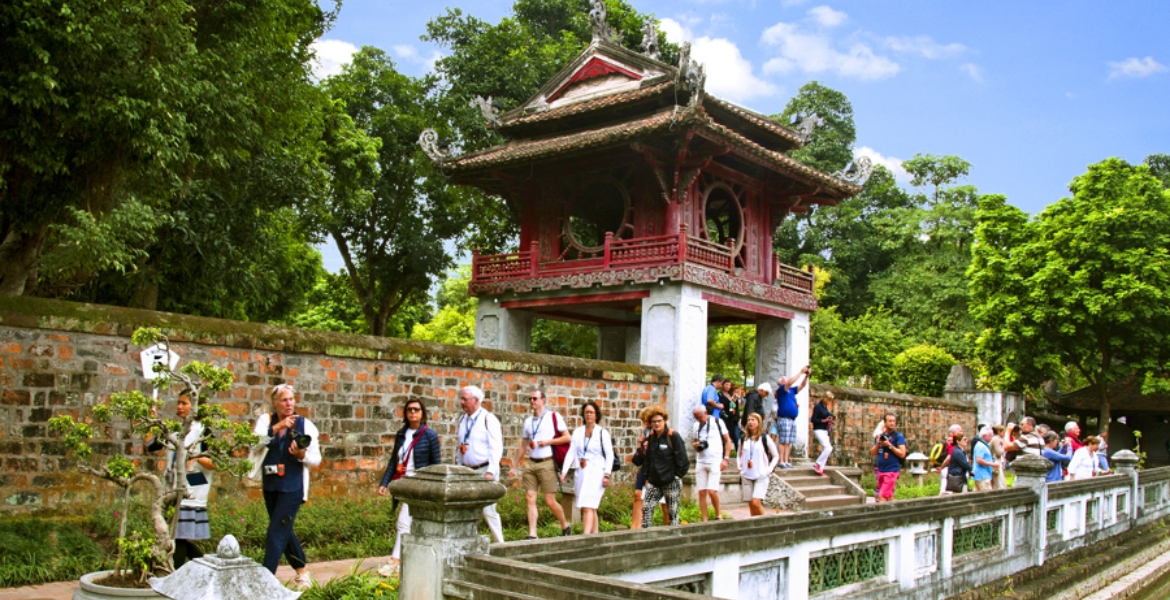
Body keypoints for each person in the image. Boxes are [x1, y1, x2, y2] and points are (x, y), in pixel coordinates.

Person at [249, 384, 321, 589]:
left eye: (291, 399)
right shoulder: (266, 421)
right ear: (274, 403)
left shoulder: (305, 425)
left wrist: (302, 455)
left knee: (275, 532)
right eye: (284, 400)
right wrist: (277, 427)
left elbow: (316, 459)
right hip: (271, 484)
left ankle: (265, 580)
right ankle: (302, 573)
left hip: (292, 486)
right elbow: (254, 444)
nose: (289, 404)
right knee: (283, 529)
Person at [146, 390, 215, 569]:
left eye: (184, 403)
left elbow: (214, 463)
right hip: (174, 489)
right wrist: (150, 422)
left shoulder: (203, 432)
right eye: (178, 403)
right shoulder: (175, 431)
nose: (179, 406)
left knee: (179, 536)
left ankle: (176, 573)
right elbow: (151, 445)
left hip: (193, 488)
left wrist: (195, 456)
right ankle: (208, 567)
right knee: (178, 536)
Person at [377, 398, 440, 574]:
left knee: (403, 522)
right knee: (412, 523)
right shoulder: (401, 434)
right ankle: (414, 559)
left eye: (417, 409)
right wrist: (384, 483)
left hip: (419, 484)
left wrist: (432, 487)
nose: (413, 412)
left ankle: (395, 560)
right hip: (403, 483)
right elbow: (393, 462)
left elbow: (436, 464)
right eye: (410, 409)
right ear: (405, 413)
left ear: (422, 413)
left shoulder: (430, 435)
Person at [510, 389, 571, 539]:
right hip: (531, 463)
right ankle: (532, 534)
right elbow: (524, 445)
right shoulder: (528, 422)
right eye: (530, 399)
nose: (532, 401)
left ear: (543, 400)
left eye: (535, 399)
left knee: (549, 500)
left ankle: (565, 524)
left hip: (547, 462)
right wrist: (514, 465)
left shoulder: (553, 417)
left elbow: (567, 438)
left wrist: (548, 442)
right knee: (530, 497)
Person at [456, 385, 506, 544]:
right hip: (467, 471)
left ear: (476, 400)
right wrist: (459, 467)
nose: (462, 402)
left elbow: (496, 447)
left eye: (465, 399)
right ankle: (469, 542)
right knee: (466, 508)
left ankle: (500, 544)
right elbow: (461, 446)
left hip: (484, 469)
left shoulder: (488, 419)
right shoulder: (462, 420)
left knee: (488, 510)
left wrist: (491, 471)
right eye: (462, 398)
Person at [559, 401, 614, 535]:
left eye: (591, 412)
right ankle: (595, 536)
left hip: (596, 472)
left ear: (596, 415)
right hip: (582, 472)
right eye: (586, 412)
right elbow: (571, 452)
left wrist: (607, 474)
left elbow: (609, 455)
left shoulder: (602, 433)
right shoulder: (578, 432)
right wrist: (564, 471)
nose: (588, 415)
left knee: (587, 506)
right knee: (591, 506)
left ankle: (585, 537)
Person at [632, 406, 689, 526]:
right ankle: (647, 537)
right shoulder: (652, 437)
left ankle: (674, 538)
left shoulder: (673, 436)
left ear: (664, 421)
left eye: (659, 421)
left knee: (672, 512)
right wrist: (647, 477)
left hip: (670, 480)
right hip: (655, 481)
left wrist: (677, 476)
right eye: (654, 422)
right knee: (646, 508)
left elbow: (683, 460)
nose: (657, 424)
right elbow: (648, 459)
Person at [691, 405, 730, 522]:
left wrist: (726, 459)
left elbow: (727, 440)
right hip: (701, 461)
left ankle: (718, 514)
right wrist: (695, 446)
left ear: (706, 412)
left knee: (712, 491)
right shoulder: (696, 425)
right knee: (702, 492)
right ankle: (704, 519)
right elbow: (695, 443)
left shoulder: (718, 422)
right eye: (696, 418)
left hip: (715, 460)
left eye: (700, 417)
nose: (699, 420)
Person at [630, 408, 663, 529]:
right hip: (645, 466)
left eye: (645, 420)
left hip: (657, 469)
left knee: (664, 504)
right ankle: (635, 527)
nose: (644, 423)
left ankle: (669, 527)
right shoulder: (647, 431)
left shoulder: (660, 432)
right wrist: (642, 445)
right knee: (638, 495)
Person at [739, 413, 779, 516]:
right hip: (747, 474)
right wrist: (740, 466)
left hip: (761, 474)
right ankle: (754, 525)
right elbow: (739, 454)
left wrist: (769, 470)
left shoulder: (764, 438)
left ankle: (764, 524)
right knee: (751, 503)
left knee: (756, 502)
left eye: (753, 420)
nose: (750, 422)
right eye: (748, 420)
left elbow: (776, 456)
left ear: (758, 423)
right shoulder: (744, 438)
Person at [775, 366, 810, 470]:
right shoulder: (781, 390)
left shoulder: (791, 391)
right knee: (783, 441)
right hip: (784, 418)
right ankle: (781, 461)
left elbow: (802, 385)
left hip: (792, 419)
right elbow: (790, 382)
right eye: (784, 379)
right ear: (781, 382)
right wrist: (800, 371)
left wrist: (806, 376)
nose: (786, 380)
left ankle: (786, 461)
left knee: (789, 441)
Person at [870, 413, 906, 502]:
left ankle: (882, 515)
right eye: (890, 421)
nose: (892, 423)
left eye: (894, 421)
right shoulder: (880, 436)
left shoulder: (898, 436)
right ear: (885, 423)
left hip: (891, 470)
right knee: (888, 496)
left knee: (881, 495)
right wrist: (878, 443)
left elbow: (902, 453)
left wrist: (889, 445)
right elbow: (873, 453)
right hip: (881, 470)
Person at [810, 392, 836, 477]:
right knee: (828, 448)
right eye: (828, 400)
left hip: (824, 430)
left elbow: (828, 415)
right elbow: (813, 419)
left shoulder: (825, 408)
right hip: (818, 429)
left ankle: (820, 468)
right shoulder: (818, 407)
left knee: (827, 448)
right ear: (825, 398)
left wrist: (831, 418)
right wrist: (824, 421)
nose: (829, 402)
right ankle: (817, 464)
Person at [740, 383, 770, 450]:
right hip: (753, 423)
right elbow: (750, 410)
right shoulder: (754, 396)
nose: (766, 395)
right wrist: (751, 421)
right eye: (766, 393)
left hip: (756, 422)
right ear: (762, 390)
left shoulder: (757, 397)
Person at [972, 427, 997, 491]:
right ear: (984, 436)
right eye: (990, 436)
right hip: (982, 475)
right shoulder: (981, 446)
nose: (991, 438)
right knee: (987, 495)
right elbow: (979, 460)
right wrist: (992, 464)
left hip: (982, 474)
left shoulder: (983, 445)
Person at [721, 381, 741, 453]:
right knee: (726, 439)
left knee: (737, 439)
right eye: (726, 384)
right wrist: (733, 401)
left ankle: (739, 455)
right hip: (726, 420)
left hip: (734, 420)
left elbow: (733, 409)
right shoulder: (721, 395)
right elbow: (727, 408)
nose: (728, 386)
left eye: (729, 385)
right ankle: (725, 455)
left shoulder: (731, 396)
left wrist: (735, 401)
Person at [990, 425, 1007, 489]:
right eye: (1003, 432)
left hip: (996, 461)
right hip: (996, 461)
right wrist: (1004, 447)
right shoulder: (996, 439)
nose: (1004, 433)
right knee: (999, 482)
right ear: (999, 432)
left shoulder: (996, 439)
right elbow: (999, 452)